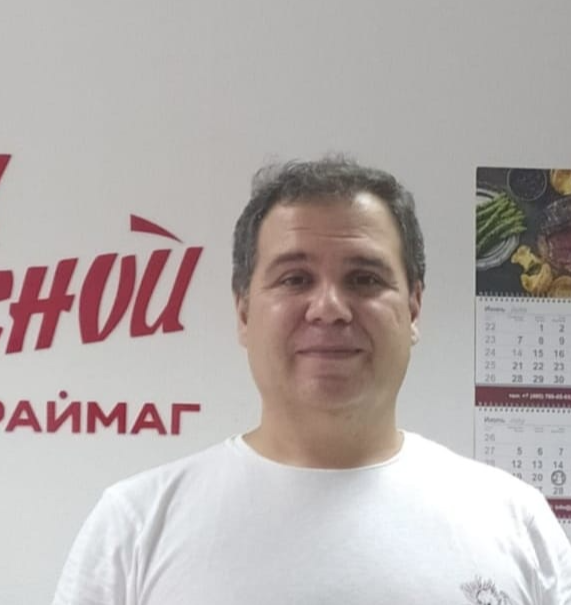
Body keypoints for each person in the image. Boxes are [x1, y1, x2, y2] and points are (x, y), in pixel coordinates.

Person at [53, 156, 571, 605]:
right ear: (243, 311)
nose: (329, 308)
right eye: (295, 279)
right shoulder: (135, 526)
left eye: (364, 279)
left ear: (414, 308)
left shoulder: (516, 524)